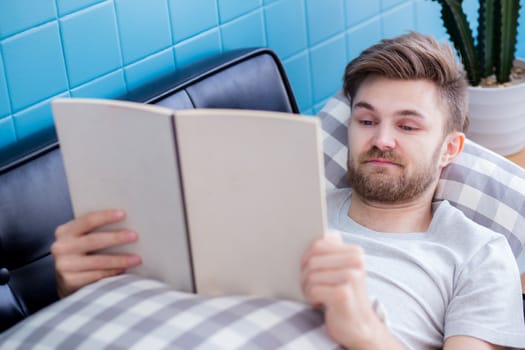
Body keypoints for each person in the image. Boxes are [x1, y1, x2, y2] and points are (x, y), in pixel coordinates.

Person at [51, 32, 525, 349]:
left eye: (407, 125)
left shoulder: (479, 253)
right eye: (366, 120)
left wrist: (363, 329)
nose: (382, 138)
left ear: (449, 149)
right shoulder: (280, 205)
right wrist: (80, 285)